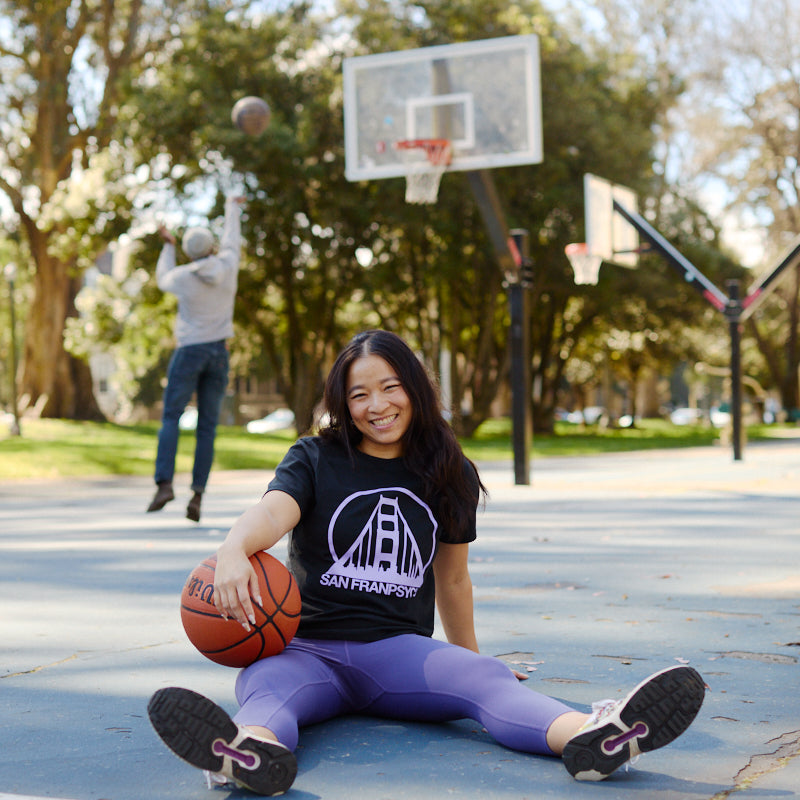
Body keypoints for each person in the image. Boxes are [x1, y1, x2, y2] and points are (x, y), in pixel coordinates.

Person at [148, 329, 705, 794]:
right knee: (267, 696)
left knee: (487, 683)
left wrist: (470, 660)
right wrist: (231, 548)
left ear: (414, 389)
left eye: (390, 387)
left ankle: (596, 736)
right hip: (304, 648)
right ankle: (243, 755)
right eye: (359, 394)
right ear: (343, 401)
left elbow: (453, 577)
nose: (376, 405)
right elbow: (272, 514)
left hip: (397, 653)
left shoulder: (447, 470)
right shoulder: (315, 457)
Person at [146, 195, 244, 523]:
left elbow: (162, 278)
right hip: (218, 351)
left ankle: (164, 484)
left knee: (171, 416)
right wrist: (232, 206)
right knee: (207, 427)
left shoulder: (183, 277)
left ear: (190, 252)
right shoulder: (228, 265)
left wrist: (167, 246)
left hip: (189, 351)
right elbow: (233, 238)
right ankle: (198, 494)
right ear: (212, 247)